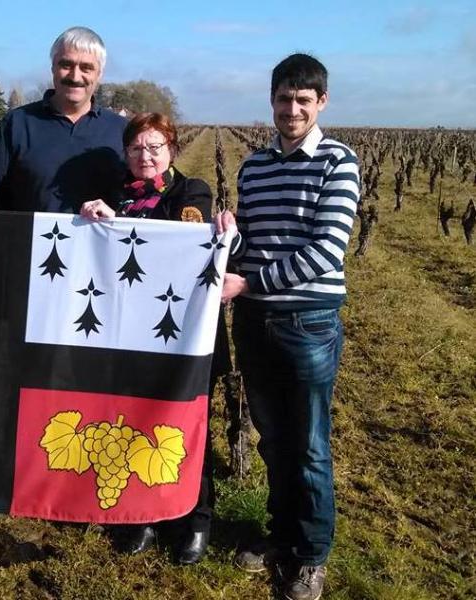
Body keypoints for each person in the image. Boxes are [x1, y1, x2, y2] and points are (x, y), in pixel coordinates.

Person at [222, 54, 360, 600]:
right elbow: (250, 244)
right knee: (273, 440)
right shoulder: (253, 167)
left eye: (304, 100)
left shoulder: (338, 162)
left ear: (321, 102)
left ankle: (311, 557)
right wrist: (227, 237)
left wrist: (249, 284)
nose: (293, 109)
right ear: (272, 100)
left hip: (308, 323)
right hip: (255, 323)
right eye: (285, 98)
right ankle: (279, 537)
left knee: (309, 444)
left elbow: (327, 251)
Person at [81, 112, 236, 565]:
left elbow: (183, 240)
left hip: (185, 334)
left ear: (171, 150)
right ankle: (140, 514)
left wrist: (123, 225)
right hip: (129, 334)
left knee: (187, 427)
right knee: (132, 421)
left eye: (155, 147)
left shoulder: (192, 192)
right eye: (136, 148)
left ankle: (195, 519)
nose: (145, 156)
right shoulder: (111, 195)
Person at [0, 26, 127, 215]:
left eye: (86, 68)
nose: (75, 75)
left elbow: (145, 195)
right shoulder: (18, 122)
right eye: (66, 64)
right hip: (24, 252)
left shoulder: (121, 130)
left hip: (100, 253)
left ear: (99, 73)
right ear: (53, 67)